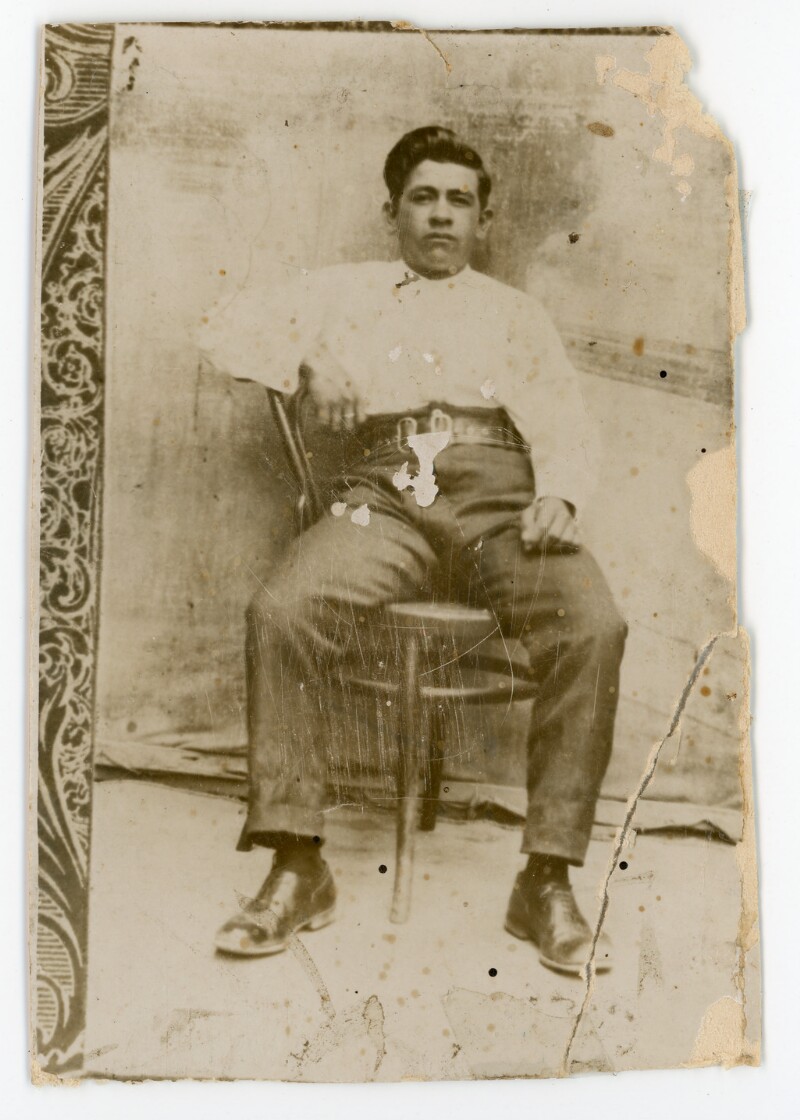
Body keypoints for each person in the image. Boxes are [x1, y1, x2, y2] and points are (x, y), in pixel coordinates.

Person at [202, 126, 627, 975]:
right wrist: (305, 359)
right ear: (391, 210)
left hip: (499, 498)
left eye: (458, 202)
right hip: (387, 495)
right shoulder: (342, 290)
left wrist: (560, 495)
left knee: (593, 627)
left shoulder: (515, 313)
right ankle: (297, 864)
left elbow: (567, 424)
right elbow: (220, 326)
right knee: (282, 610)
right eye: (423, 198)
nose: (440, 215)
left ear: (483, 221)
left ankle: (545, 881)